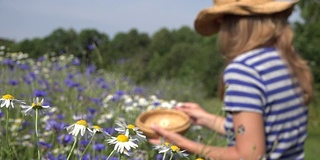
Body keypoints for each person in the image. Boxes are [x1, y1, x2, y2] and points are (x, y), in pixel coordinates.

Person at [149, 0, 314, 159]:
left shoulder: (244, 70)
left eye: (221, 23)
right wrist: (206, 119)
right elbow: (256, 133)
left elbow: (249, 156)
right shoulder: (288, 61)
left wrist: (181, 144)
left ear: (232, 23)